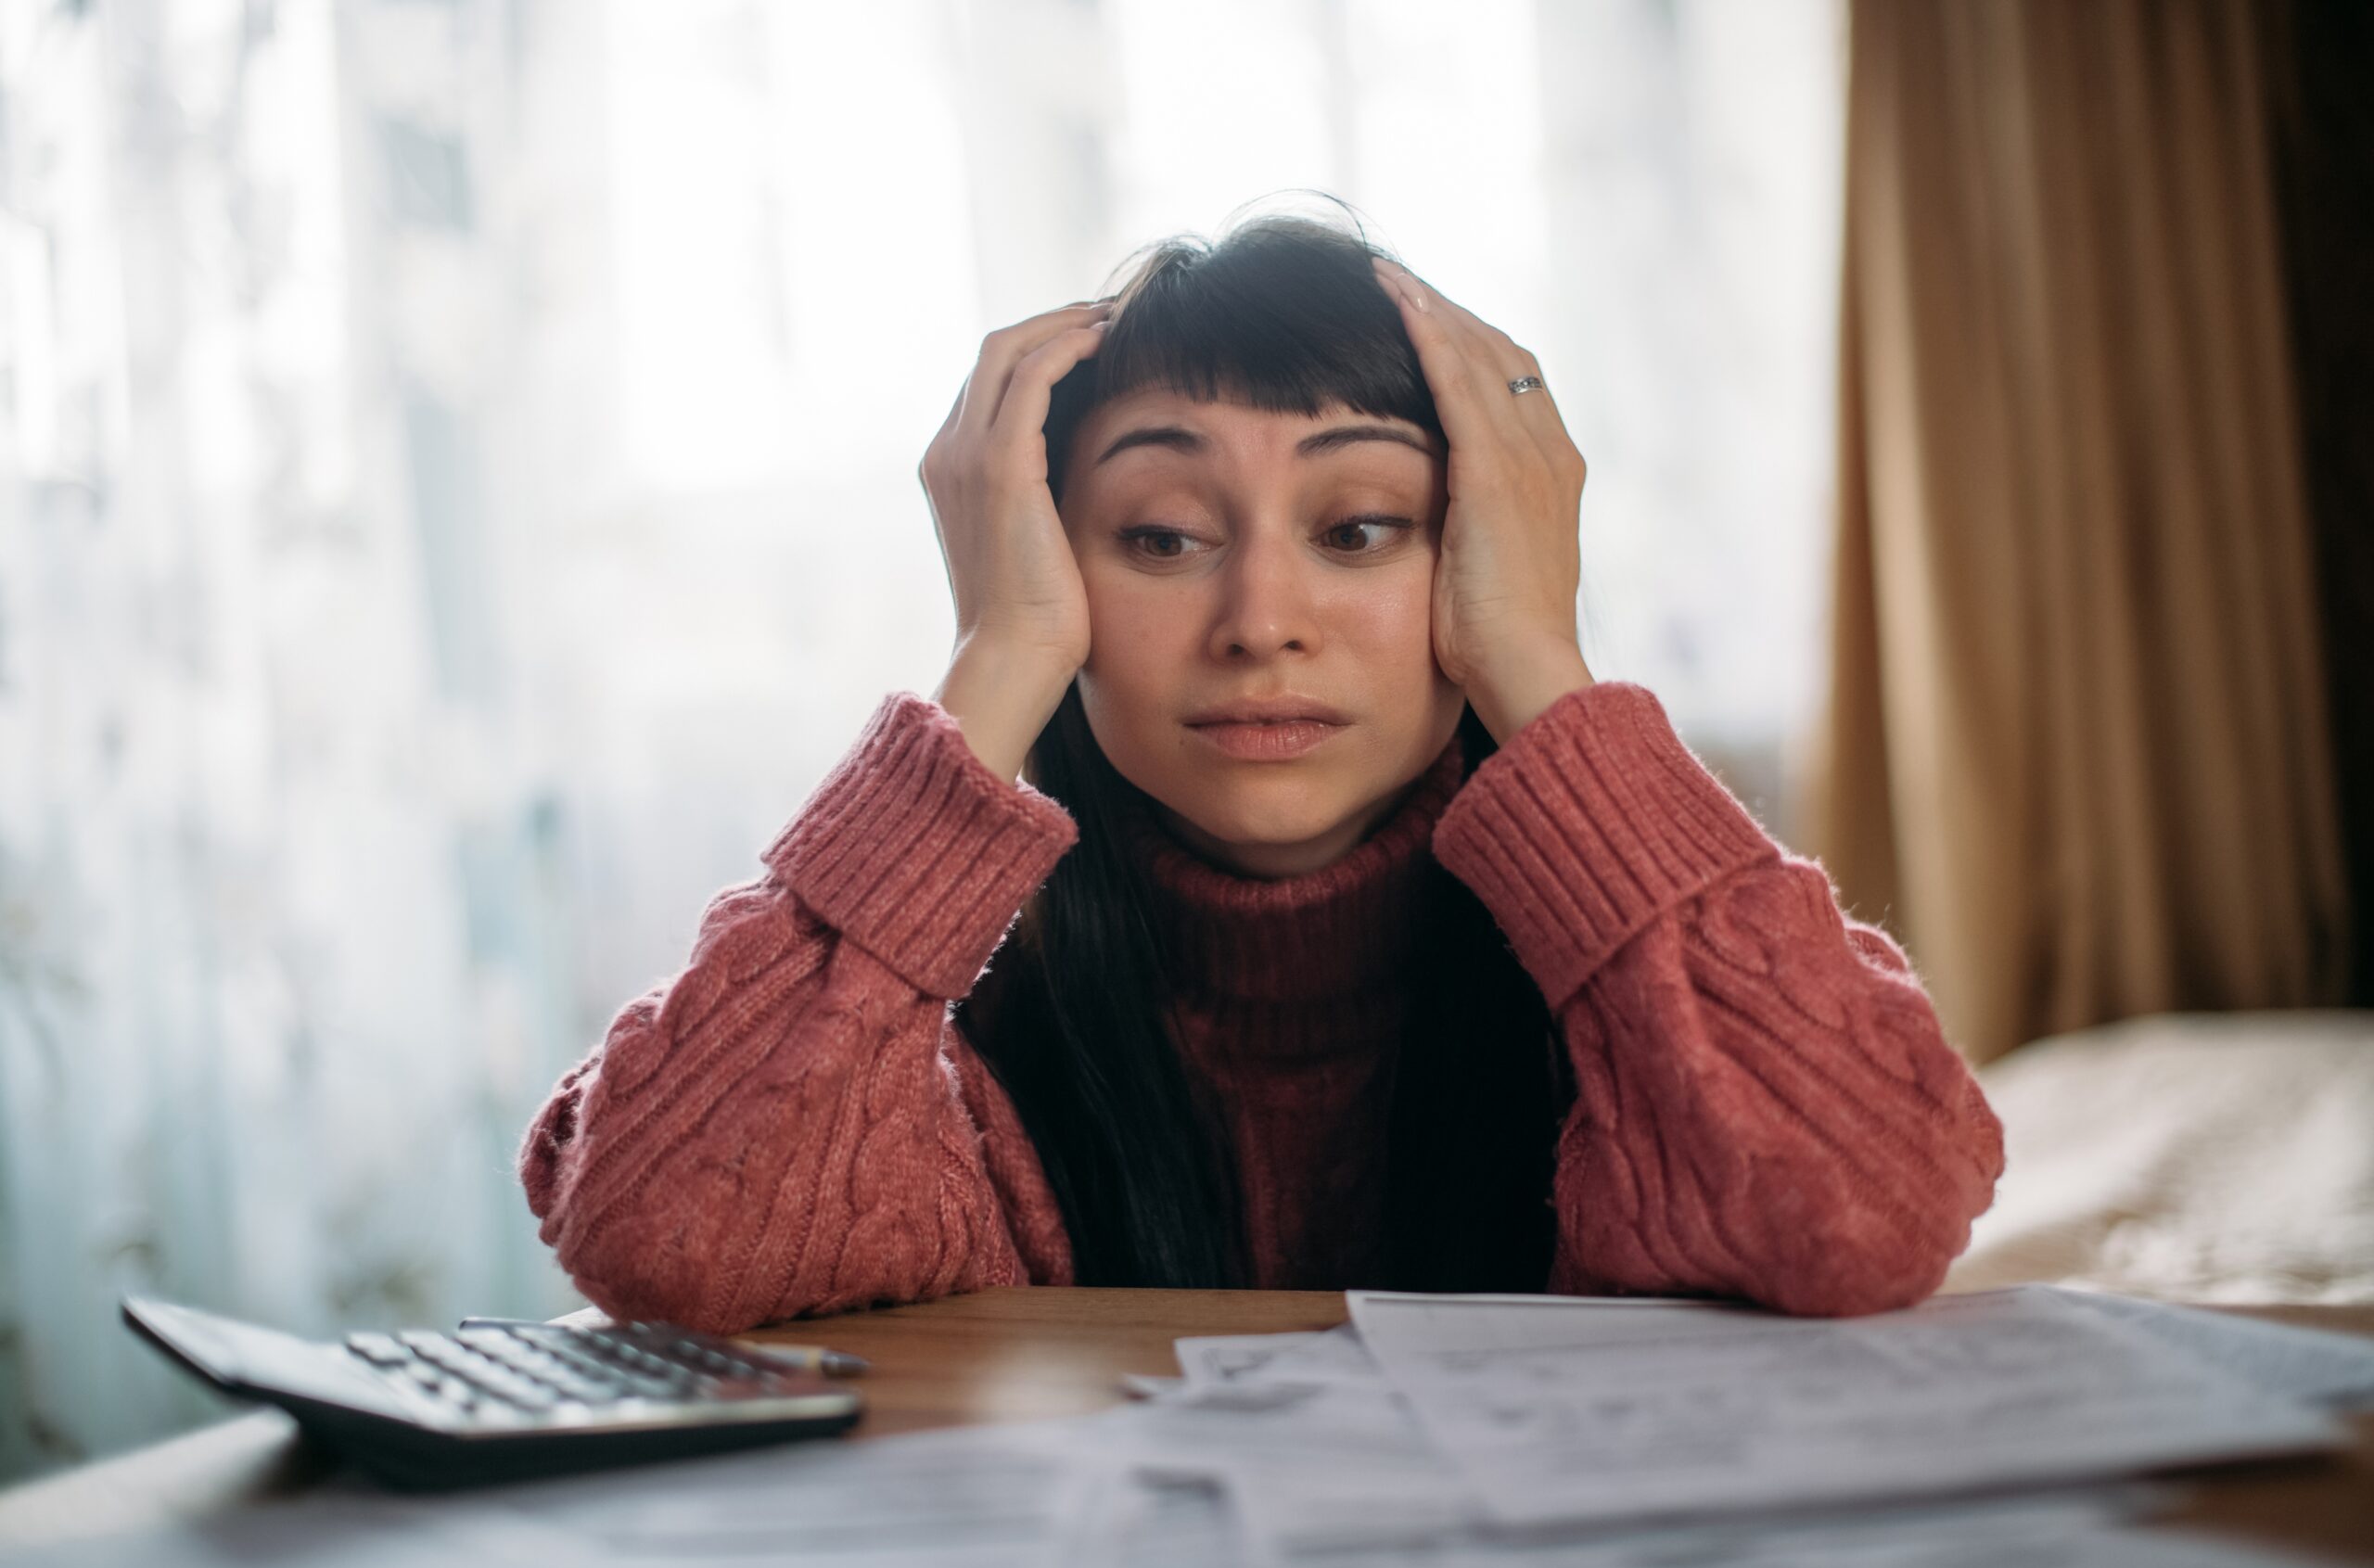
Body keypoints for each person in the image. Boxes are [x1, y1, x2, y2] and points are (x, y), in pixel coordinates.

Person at [517, 210, 2004, 1334]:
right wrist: (996, 657)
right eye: (1160, 536)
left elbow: (1869, 1210)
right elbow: (656, 1229)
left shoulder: (1610, 1001)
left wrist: (1542, 667)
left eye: (1360, 528)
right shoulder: (932, 1022)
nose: (1260, 626)